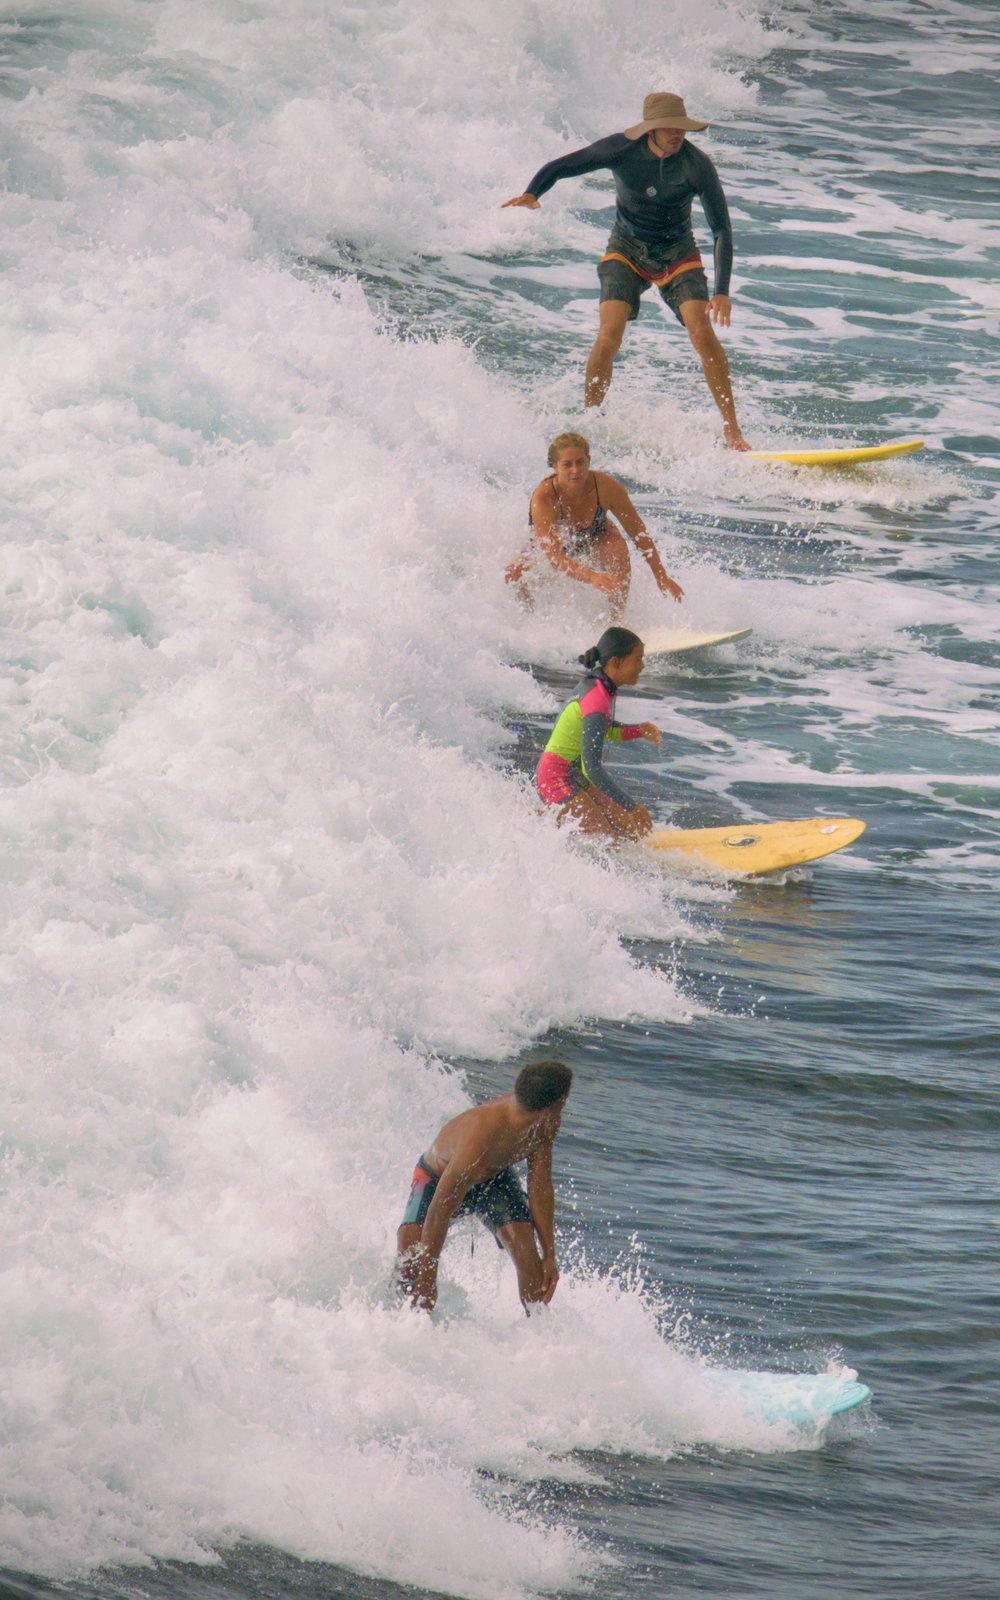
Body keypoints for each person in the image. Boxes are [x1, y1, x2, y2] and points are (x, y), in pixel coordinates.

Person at [502, 92, 750, 451]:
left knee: (701, 331)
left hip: (677, 252)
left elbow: (722, 230)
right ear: (650, 128)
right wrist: (532, 192)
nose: (677, 133)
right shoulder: (621, 149)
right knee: (610, 331)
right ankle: (590, 422)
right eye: (668, 127)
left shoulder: (696, 165)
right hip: (627, 248)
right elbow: (562, 165)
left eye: (681, 127)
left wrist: (722, 291)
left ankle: (732, 430)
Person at [396, 1060, 573, 1314]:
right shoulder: (481, 1136)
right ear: (556, 1104)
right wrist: (427, 1277)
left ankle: (538, 1339)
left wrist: (550, 1255)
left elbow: (540, 1187)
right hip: (436, 1179)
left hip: (494, 1180)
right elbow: (440, 1208)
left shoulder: (545, 1123)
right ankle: (395, 1325)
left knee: (530, 1262)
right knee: (411, 1268)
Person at [506, 432, 684, 619]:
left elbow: (637, 532)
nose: (575, 470)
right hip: (552, 549)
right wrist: (591, 576)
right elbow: (553, 555)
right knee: (515, 573)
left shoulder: (606, 487)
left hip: (596, 536)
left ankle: (617, 622)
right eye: (567, 464)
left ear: (588, 461)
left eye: (580, 462)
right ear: (554, 467)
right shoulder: (544, 498)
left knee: (618, 550)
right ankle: (528, 618)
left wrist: (660, 575)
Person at [537, 626, 659, 840]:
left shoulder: (602, 686)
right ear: (615, 662)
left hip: (576, 776)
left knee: (630, 833)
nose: (642, 666)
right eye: (637, 659)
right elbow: (592, 768)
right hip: (557, 778)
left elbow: (605, 730)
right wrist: (631, 806)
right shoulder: (597, 697)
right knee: (605, 841)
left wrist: (639, 730)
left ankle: (546, 820)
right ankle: (538, 825)